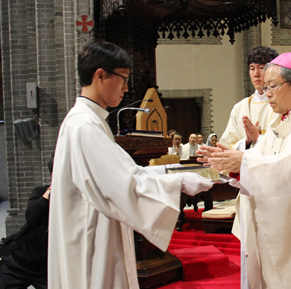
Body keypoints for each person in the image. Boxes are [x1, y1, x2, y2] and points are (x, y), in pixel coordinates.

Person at [48, 41, 213, 289]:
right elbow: (121, 186)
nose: (126, 88)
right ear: (100, 75)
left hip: (99, 231)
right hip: (91, 240)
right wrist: (177, 182)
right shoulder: (84, 125)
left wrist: (171, 172)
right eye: (123, 78)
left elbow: (126, 171)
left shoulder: (90, 120)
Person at [199, 52, 291, 288]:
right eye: (265, 87)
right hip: (275, 226)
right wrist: (234, 162)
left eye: (272, 86)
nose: (266, 95)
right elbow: (261, 156)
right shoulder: (282, 119)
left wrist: (243, 163)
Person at [0, 157, 54, 289]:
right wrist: (50, 192)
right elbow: (31, 217)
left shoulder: (76, 199)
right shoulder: (40, 192)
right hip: (20, 263)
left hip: (48, 269)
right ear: (52, 174)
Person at [219, 46, 279, 150]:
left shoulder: (282, 104)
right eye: (252, 68)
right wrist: (246, 141)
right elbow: (226, 146)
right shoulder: (240, 108)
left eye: (261, 68)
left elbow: (286, 145)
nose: (256, 74)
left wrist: (258, 138)